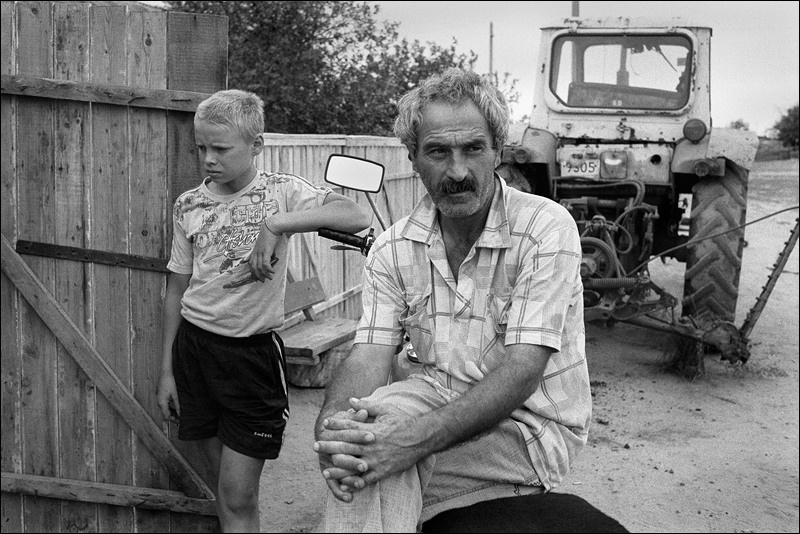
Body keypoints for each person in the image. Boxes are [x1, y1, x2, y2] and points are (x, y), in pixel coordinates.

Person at [313, 68, 592, 532]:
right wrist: (332, 427)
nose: (458, 172)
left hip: (527, 427)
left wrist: (407, 442)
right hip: (432, 399)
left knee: (378, 463)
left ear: (498, 151)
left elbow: (523, 371)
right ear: (413, 157)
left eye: (473, 149)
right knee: (362, 442)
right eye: (438, 152)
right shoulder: (393, 248)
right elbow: (369, 355)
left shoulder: (544, 228)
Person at [156, 89, 371, 532]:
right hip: (194, 353)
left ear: (256, 145)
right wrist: (166, 372)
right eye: (201, 147)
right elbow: (177, 289)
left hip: (251, 360)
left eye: (221, 148)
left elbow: (354, 215)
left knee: (239, 495)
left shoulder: (282, 192)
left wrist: (276, 224)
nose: (208, 159)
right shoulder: (188, 205)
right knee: (225, 492)